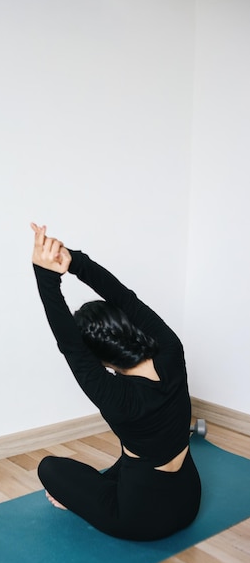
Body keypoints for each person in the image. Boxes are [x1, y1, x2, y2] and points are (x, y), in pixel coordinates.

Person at [30, 223, 201, 541]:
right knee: (129, 458)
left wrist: (44, 275)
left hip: (139, 519)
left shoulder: (116, 395)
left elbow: (70, 345)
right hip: (189, 498)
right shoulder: (171, 352)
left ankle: (84, 501)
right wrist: (73, 261)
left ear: (99, 360)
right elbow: (126, 298)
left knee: (50, 468)